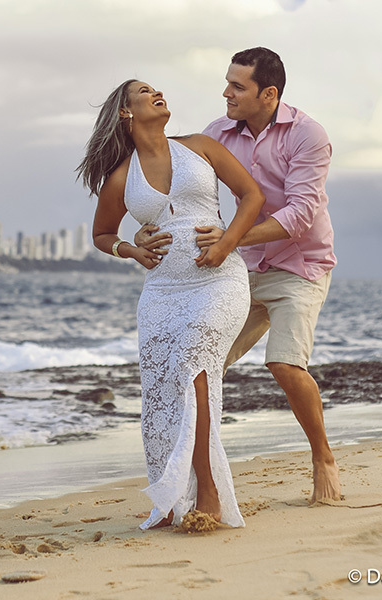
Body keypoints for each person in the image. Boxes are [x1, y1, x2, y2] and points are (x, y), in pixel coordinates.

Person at [135, 47, 341, 505]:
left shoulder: (308, 134)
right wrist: (145, 229)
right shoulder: (216, 134)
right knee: (198, 362)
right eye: (227, 82)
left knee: (284, 364)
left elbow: (301, 213)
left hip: (299, 265)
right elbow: (182, 190)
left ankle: (322, 456)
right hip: (237, 269)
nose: (225, 92)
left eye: (237, 86)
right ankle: (197, 480)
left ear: (268, 94)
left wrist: (230, 238)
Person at [77, 79, 265, 529]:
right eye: (145, 91)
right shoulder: (122, 176)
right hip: (162, 294)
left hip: (219, 280)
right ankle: (168, 498)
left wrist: (226, 243)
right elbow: (102, 234)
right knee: (160, 394)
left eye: (156, 88)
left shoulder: (200, 147)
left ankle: (209, 489)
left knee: (194, 360)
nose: (157, 91)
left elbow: (252, 197)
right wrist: (132, 249)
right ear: (126, 112)